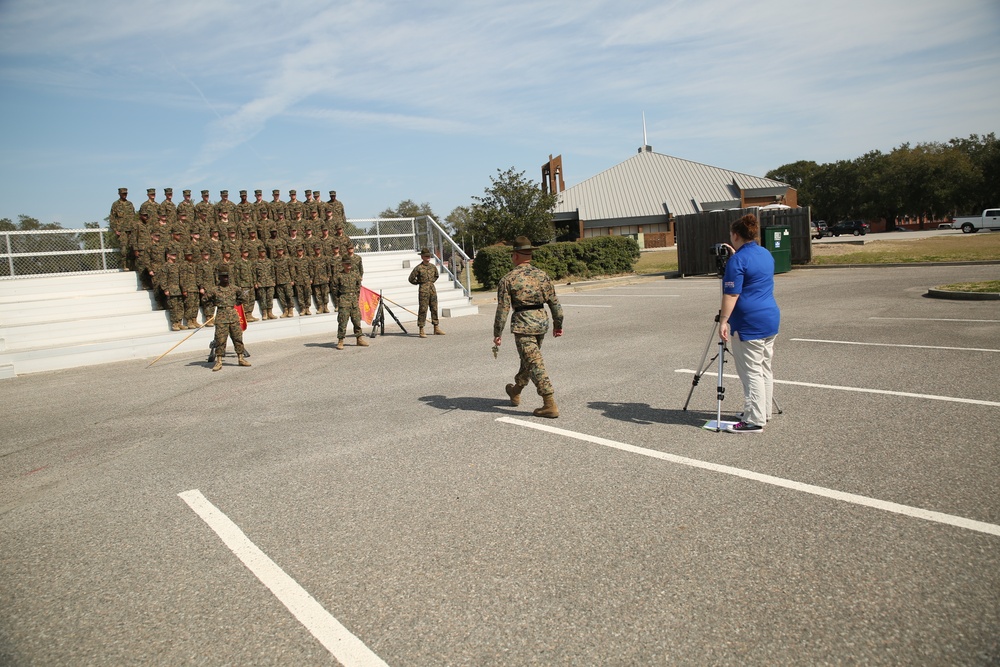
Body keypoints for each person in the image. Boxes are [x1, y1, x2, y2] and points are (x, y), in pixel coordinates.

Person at [719, 213, 780, 434]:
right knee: (764, 367)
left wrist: (724, 320)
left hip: (748, 322)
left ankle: (754, 419)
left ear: (735, 235)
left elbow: (732, 294)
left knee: (751, 371)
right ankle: (763, 412)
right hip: (769, 317)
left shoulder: (737, 260)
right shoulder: (764, 253)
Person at [493, 236, 564, 418]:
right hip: (541, 323)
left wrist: (497, 333)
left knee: (534, 362)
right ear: (530, 254)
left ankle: (549, 403)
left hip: (523, 325)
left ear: (515, 255)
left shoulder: (508, 279)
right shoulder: (543, 276)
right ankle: (516, 390)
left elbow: (503, 309)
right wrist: (558, 324)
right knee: (530, 359)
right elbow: (555, 303)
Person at [206, 269, 251, 371]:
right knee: (220, 340)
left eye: (227, 276)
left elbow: (243, 297)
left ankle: (241, 358)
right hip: (221, 317)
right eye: (223, 277)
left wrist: (237, 303)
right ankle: (219, 361)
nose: (225, 278)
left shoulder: (234, 289)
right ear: (219, 278)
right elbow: (205, 300)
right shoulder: (214, 290)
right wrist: (213, 304)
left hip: (233, 316)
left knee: (237, 338)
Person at [330, 257, 369, 349]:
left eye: (350, 264)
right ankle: (340, 341)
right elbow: (334, 288)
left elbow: (358, 286)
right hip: (344, 300)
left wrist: (355, 296)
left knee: (357, 321)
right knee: (342, 322)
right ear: (343, 264)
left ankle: (359, 339)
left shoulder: (355, 274)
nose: (349, 265)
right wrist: (340, 297)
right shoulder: (338, 275)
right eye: (347, 264)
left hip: (354, 300)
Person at [408, 248, 444, 338]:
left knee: (434, 308)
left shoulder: (432, 267)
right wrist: (419, 283)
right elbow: (411, 279)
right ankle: (421, 329)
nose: (428, 257)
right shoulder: (418, 268)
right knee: (423, 309)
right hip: (423, 290)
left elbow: (436, 275)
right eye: (426, 256)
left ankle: (436, 327)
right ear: (422, 257)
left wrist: (431, 282)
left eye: (429, 256)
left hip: (432, 289)